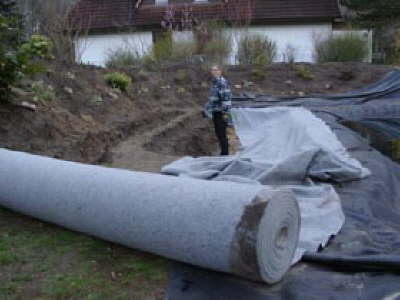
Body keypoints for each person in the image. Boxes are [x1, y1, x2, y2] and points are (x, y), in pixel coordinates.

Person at [204, 65, 232, 156]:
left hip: (221, 112)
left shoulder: (222, 82)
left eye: (216, 70)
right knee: (219, 133)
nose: (214, 72)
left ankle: (225, 154)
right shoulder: (215, 83)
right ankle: (223, 152)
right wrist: (206, 109)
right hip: (215, 111)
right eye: (213, 70)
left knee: (222, 133)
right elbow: (212, 98)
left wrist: (225, 113)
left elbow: (226, 98)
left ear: (220, 71)